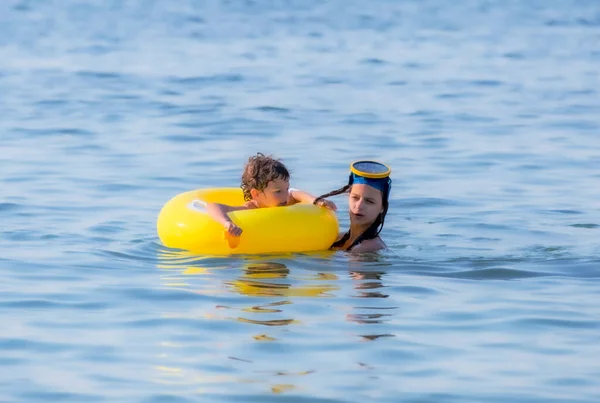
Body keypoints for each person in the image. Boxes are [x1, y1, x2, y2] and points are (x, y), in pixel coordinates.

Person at [206, 153, 336, 236]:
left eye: (286, 189)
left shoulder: (286, 200)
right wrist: (227, 223)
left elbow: (296, 194)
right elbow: (213, 206)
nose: (285, 195)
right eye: (278, 191)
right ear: (256, 194)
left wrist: (316, 200)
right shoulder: (251, 208)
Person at [313, 160, 391, 253]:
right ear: (348, 196)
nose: (359, 206)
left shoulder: (369, 247)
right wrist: (317, 201)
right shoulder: (337, 238)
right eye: (355, 197)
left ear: (382, 207)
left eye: (369, 201)